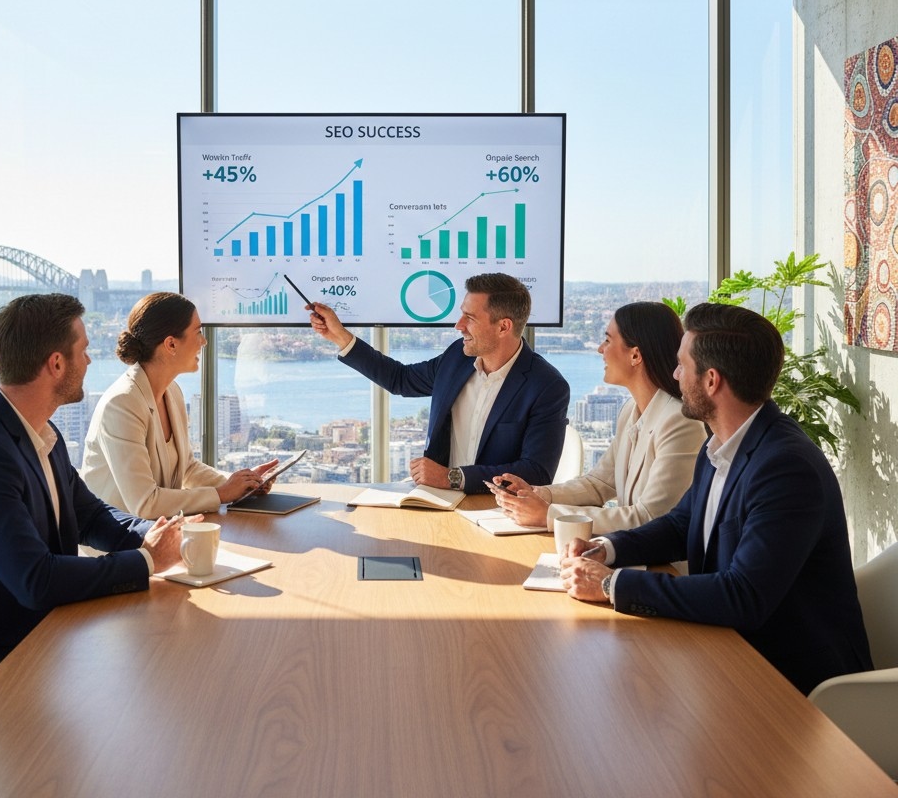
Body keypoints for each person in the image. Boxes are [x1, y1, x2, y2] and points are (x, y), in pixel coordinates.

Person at [560, 302, 872, 694]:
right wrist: (606, 549)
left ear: (711, 381)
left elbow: (743, 596)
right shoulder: (721, 443)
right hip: (727, 652)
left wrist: (611, 586)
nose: (673, 376)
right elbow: (682, 523)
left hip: (791, 683)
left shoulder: (786, 468)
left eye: (681, 366)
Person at [0, 293, 190, 668]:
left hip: (39, 637)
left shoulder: (41, 432)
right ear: (56, 363)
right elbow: (36, 580)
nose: (89, 361)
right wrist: (145, 560)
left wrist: (162, 533)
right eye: (84, 350)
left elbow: (90, 516)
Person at [308, 272, 569, 493]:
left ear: (503, 327)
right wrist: (341, 337)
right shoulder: (457, 357)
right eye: (461, 315)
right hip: (437, 500)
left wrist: (452, 478)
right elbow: (401, 379)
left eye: (471, 318)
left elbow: (536, 472)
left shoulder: (546, 386)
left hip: (495, 512)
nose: (459, 325)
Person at [487, 302, 707, 533]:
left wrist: (548, 515)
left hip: (662, 565)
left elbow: (650, 517)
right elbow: (599, 484)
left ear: (635, 355)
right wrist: (537, 494)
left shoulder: (680, 423)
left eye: (608, 340)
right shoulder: (630, 411)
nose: (600, 349)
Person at [81, 292, 277, 517]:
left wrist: (242, 485)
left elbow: (187, 468)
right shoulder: (121, 404)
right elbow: (146, 503)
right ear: (171, 344)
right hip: (118, 544)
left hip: (158, 533)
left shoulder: (172, 392)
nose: (204, 341)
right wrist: (223, 493)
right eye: (198, 332)